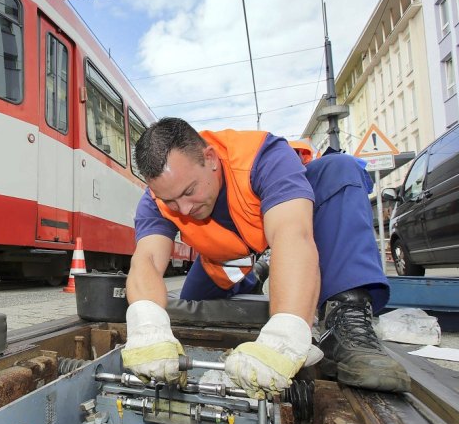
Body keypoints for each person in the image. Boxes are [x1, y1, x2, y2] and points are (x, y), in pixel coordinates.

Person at [122, 117, 409, 397]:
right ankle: (257, 273)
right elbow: (146, 260)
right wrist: (147, 328)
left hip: (281, 233)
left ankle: (348, 318)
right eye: (171, 201)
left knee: (339, 168)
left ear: (210, 158)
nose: (183, 209)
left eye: (189, 192)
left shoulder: (263, 157)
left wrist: (286, 334)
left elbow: (292, 235)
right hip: (227, 255)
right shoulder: (156, 199)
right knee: (192, 307)